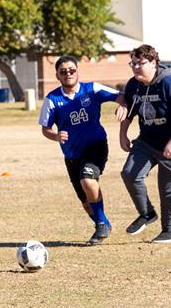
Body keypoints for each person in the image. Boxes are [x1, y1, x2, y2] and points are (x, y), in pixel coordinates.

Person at [39, 55, 124, 244]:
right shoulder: (52, 99)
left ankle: (101, 224)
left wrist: (123, 106)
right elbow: (45, 129)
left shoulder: (92, 89)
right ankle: (102, 223)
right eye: (63, 72)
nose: (68, 74)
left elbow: (121, 96)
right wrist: (55, 136)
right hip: (71, 154)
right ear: (58, 76)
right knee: (86, 203)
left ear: (78, 71)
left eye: (71, 70)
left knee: (88, 178)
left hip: (96, 145)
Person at [118, 44, 171, 244]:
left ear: (154, 63)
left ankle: (170, 230)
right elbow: (129, 109)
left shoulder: (170, 82)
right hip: (148, 140)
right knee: (130, 174)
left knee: (168, 189)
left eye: (141, 63)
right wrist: (123, 134)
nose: (136, 67)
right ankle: (146, 214)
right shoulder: (133, 84)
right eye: (133, 63)